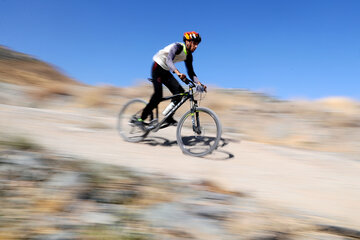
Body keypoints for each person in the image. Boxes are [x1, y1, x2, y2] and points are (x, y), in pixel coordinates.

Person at [135, 31, 206, 130]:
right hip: (158, 67)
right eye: (194, 43)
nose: (196, 46)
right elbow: (169, 60)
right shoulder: (178, 47)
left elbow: (191, 72)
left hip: (166, 71)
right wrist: (178, 73)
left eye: (197, 44)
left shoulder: (189, 56)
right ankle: (141, 119)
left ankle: (168, 117)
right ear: (187, 42)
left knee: (180, 93)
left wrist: (199, 83)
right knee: (158, 96)